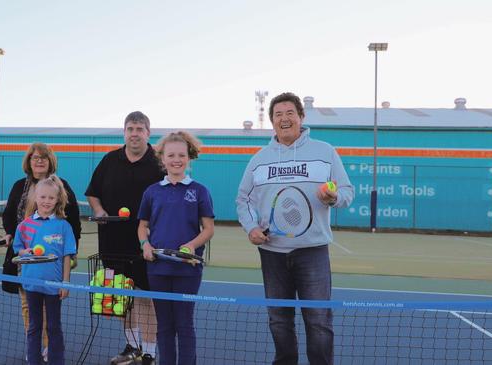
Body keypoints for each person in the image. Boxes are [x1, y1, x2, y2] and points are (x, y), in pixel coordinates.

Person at [236, 92, 354, 365]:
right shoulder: (259, 159)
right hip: (272, 253)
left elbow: (347, 192)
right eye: (278, 114)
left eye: (290, 113)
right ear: (273, 122)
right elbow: (242, 199)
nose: (284, 118)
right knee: (279, 320)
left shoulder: (325, 152)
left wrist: (333, 197)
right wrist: (251, 228)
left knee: (319, 321)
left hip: (312, 252)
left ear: (301, 117)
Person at [85, 111, 164, 364]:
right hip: (112, 241)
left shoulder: (159, 163)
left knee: (145, 298)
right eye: (130, 128)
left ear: (148, 133)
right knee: (123, 298)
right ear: (124, 132)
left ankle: (149, 352)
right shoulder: (109, 160)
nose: (134, 133)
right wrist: (99, 211)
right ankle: (132, 347)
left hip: (146, 245)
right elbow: (93, 193)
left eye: (139, 129)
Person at [138, 131, 215, 365]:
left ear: (189, 157)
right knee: (164, 324)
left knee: (184, 323)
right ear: (162, 158)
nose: (176, 159)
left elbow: (208, 229)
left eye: (181, 155)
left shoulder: (200, 191)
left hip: (187, 269)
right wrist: (145, 245)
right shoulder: (152, 192)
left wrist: (191, 246)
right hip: (158, 268)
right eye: (171, 155)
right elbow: (142, 227)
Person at [2, 142, 81, 361]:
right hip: (26, 262)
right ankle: (36, 349)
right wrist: (11, 234)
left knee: (51, 315)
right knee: (29, 307)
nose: (39, 160)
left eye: (43, 157)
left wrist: (71, 252)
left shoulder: (61, 186)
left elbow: (73, 220)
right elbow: (9, 215)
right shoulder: (20, 187)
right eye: (35, 157)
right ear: (28, 161)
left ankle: (48, 348)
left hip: (54, 262)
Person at [13, 175, 76, 365]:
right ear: (35, 198)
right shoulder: (25, 226)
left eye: (51, 198)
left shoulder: (64, 226)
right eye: (43, 197)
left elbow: (67, 257)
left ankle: (57, 361)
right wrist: (26, 252)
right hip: (32, 284)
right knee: (34, 327)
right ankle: (34, 361)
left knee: (54, 326)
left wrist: (65, 282)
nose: (46, 201)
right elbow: (18, 250)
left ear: (57, 200)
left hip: (54, 286)